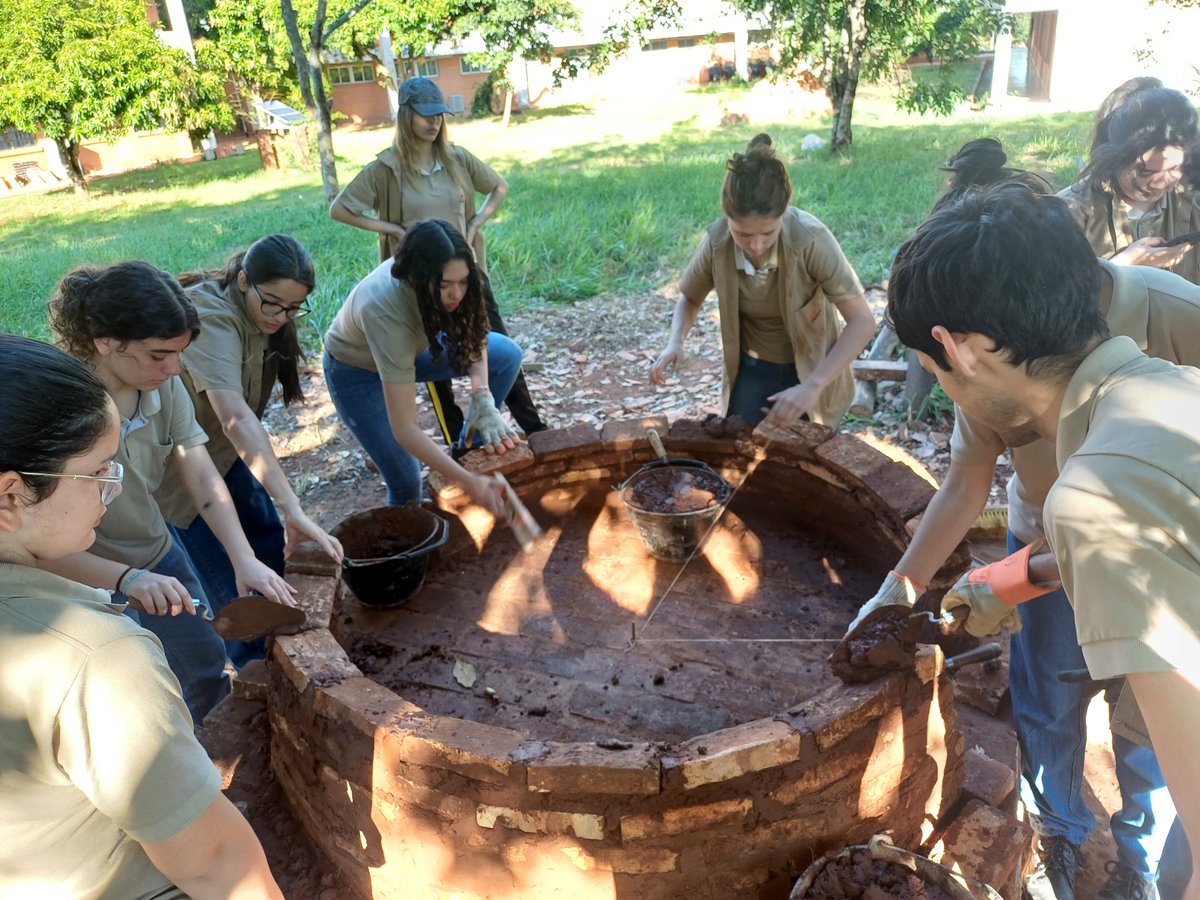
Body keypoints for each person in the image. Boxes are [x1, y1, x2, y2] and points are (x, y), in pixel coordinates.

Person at [849, 144, 1189, 900]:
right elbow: (1137, 534)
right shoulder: (1163, 395)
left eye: (931, 374)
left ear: (958, 351)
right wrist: (1007, 579)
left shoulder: (1099, 490)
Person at [0, 333, 283, 898]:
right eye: (101, 472)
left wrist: (126, 578)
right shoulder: (97, 660)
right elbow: (217, 864)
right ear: (11, 496)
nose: (113, 490)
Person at [43, 261, 296, 722]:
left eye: (180, 353)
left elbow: (200, 475)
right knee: (142, 692)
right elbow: (33, 545)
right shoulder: (60, 408)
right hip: (79, 579)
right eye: (159, 354)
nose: (174, 368)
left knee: (204, 663)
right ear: (105, 342)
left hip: (157, 548)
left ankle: (213, 751)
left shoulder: (164, 385)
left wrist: (243, 559)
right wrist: (124, 580)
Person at [329, 75, 545, 450]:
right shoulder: (387, 168)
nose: (434, 123)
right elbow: (340, 209)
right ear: (406, 115)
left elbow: (499, 187)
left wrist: (476, 223)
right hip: (419, 285)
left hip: (467, 275)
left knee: (497, 348)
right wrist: (392, 230)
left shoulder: (456, 158)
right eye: (425, 115)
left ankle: (529, 427)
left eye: (440, 115)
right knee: (434, 365)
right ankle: (459, 443)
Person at [160, 235, 342, 669]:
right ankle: (259, 673)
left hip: (228, 457)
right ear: (244, 280)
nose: (283, 317)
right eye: (273, 304)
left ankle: (287, 639)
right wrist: (292, 504)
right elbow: (236, 418)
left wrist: (286, 513)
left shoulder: (264, 313)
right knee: (231, 588)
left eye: (294, 307)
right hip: (181, 480)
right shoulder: (211, 317)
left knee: (266, 542)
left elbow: (238, 430)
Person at [650, 133, 875, 427]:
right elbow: (690, 297)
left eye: (768, 234)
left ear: (783, 215)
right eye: (742, 234)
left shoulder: (810, 240)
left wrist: (812, 386)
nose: (756, 246)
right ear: (727, 218)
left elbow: (862, 322)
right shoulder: (717, 244)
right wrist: (675, 342)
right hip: (752, 367)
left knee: (808, 460)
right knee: (742, 449)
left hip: (813, 367)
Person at [322, 219, 522, 515]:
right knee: (405, 478)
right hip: (356, 371)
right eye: (445, 285)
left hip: (416, 346)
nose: (456, 294)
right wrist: (469, 482)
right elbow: (404, 428)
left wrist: (482, 396)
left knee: (505, 354)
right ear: (418, 277)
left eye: (463, 282)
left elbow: (474, 331)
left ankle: (469, 447)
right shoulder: (385, 311)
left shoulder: (451, 275)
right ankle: (407, 551)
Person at [1058, 77, 1200, 282]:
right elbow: (1048, 299)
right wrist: (1119, 268)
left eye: (1174, 168)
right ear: (1114, 157)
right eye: (1144, 171)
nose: (1159, 183)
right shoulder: (1068, 213)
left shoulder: (1193, 200)